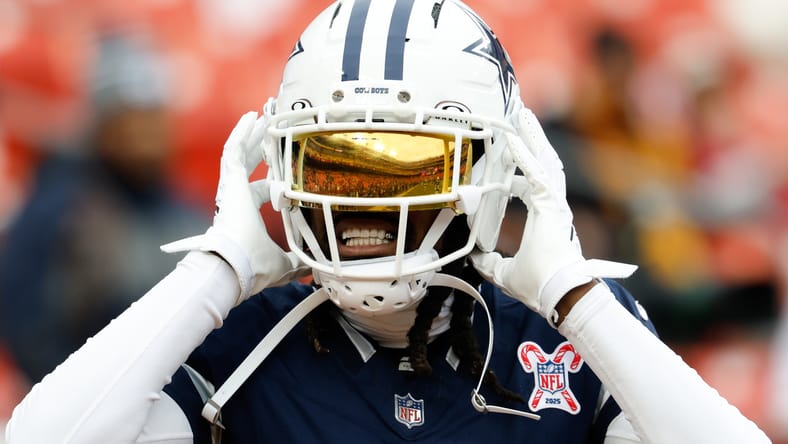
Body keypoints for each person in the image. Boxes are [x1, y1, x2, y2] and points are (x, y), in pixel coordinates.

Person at [4, 1, 771, 443]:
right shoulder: (238, 345)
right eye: (333, 163)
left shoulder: (562, 344)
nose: (367, 203)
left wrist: (576, 296)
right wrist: (218, 270)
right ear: (284, 170)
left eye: (407, 164)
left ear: (488, 173)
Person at [0, 33, 208, 384]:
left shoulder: (191, 212)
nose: (148, 126)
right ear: (104, 119)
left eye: (155, 110)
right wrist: (78, 393)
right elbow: (24, 326)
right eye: (133, 111)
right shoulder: (57, 209)